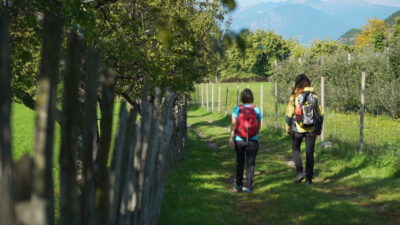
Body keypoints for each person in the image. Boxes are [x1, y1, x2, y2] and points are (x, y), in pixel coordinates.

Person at [285, 74, 323, 185]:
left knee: (295, 149)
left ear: (297, 84)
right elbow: (321, 114)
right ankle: (309, 179)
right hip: (311, 129)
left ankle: (300, 172)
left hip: (297, 129)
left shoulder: (294, 97)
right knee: (309, 153)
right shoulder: (315, 97)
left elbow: (288, 115)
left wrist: (287, 128)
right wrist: (319, 128)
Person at [229, 88, 262, 193]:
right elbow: (259, 124)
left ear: (242, 98)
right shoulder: (256, 109)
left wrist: (231, 138)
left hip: (239, 139)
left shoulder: (237, 109)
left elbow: (234, 124)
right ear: (252, 97)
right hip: (253, 139)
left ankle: (238, 185)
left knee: (240, 161)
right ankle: (248, 186)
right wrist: (256, 134)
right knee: (250, 163)